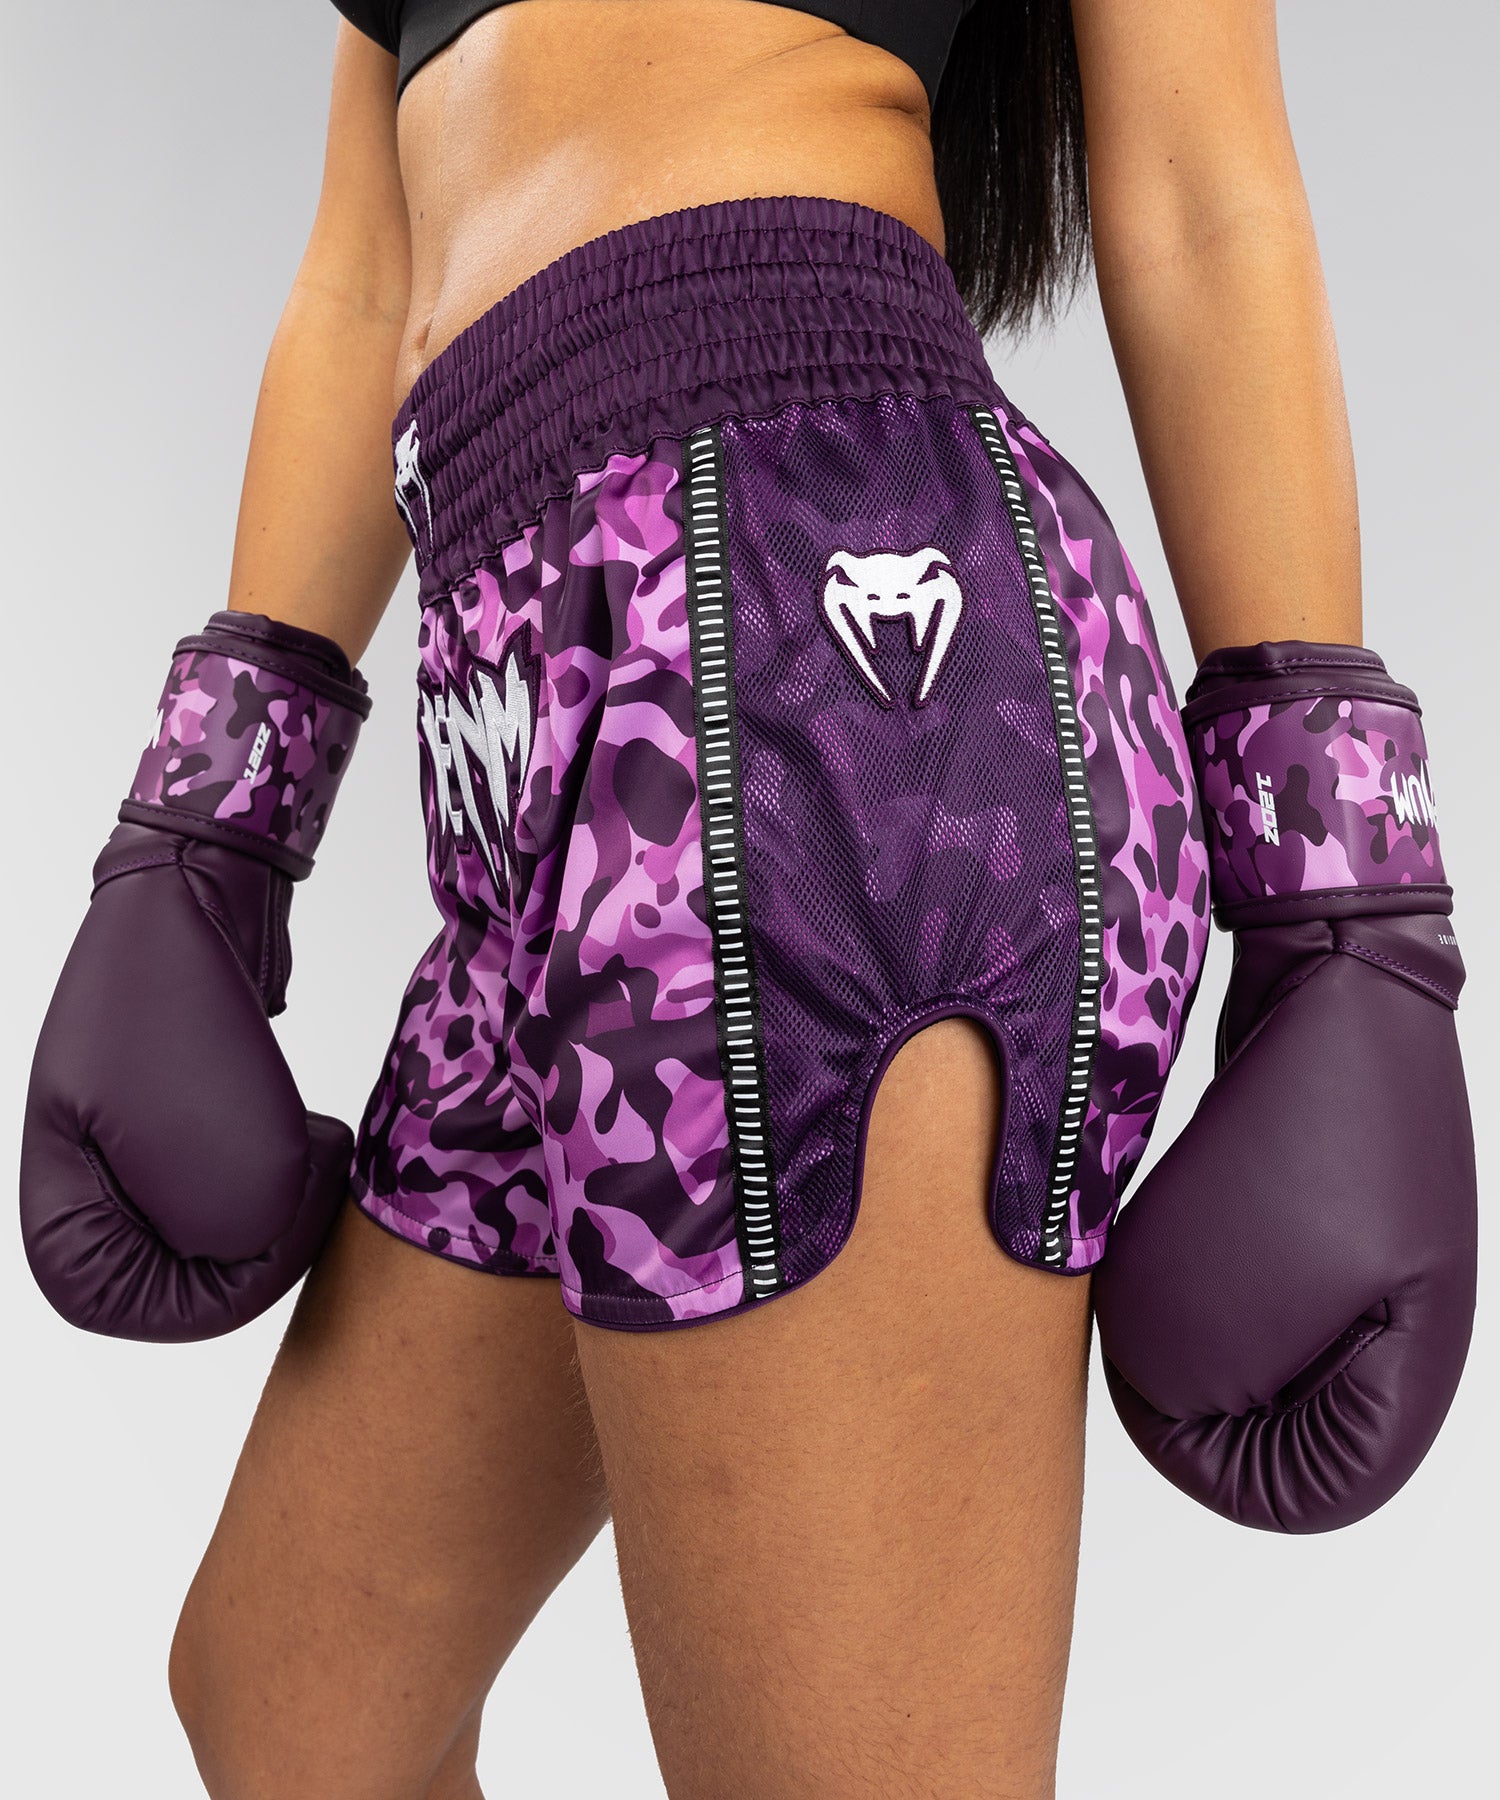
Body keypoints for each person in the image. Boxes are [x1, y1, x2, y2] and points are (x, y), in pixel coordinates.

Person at [53, 3, 1388, 1795]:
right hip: (522, 714)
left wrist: (1346, 910)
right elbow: (366, 275)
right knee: (299, 1717)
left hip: (835, 656)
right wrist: (206, 826)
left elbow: (1208, 200)